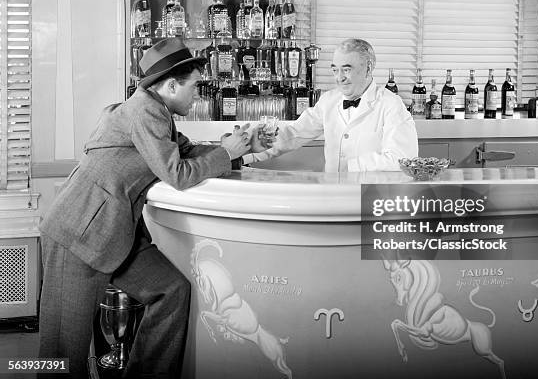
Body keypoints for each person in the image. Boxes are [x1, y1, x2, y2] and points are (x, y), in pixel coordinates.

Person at [38, 38, 254, 378]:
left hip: (117, 233)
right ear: (170, 85)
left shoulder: (156, 112)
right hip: (79, 233)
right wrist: (226, 154)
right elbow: (178, 174)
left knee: (171, 291)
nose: (197, 95)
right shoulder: (145, 111)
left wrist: (239, 147)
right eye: (194, 86)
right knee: (62, 353)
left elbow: (187, 152)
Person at [243, 38, 418, 172]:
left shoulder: (391, 104)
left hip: (373, 199)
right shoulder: (329, 100)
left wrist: (350, 167)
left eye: (346, 70)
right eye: (335, 70)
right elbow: (293, 135)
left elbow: (403, 159)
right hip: (334, 194)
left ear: (369, 67)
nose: (339, 77)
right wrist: (244, 155)